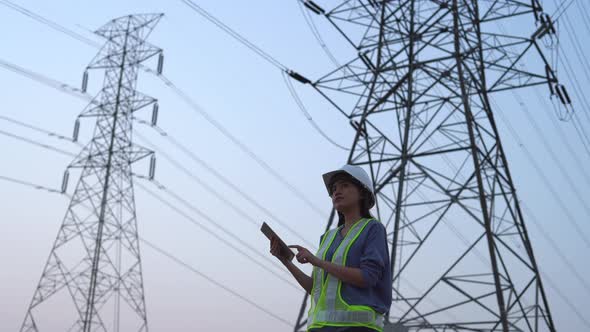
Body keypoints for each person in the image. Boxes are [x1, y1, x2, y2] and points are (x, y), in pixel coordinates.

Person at [270, 165, 392, 332]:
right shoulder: (328, 237)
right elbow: (315, 287)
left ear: (363, 193)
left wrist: (318, 261)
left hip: (357, 328)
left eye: (345, 185)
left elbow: (367, 277)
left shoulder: (373, 229)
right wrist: (285, 261)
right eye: (334, 188)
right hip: (319, 328)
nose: (337, 191)